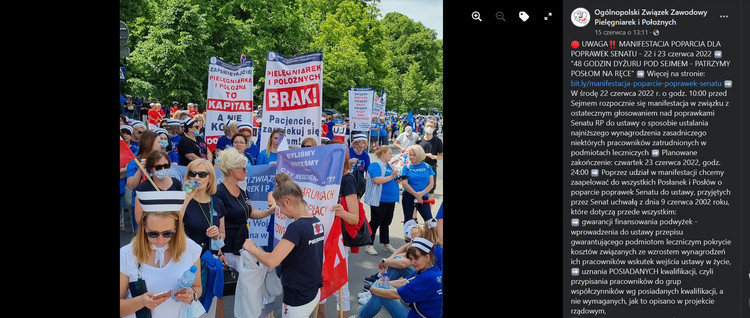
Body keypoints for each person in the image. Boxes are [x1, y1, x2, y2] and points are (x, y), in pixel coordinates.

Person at [241, 173, 324, 318]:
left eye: (279, 206)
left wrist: (252, 248)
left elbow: (272, 261)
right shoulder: (317, 222)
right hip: (312, 291)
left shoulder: (296, 228)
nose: (281, 212)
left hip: (297, 297)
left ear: (287, 201)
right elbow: (304, 255)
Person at [120, 190, 204, 318]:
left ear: (176, 228)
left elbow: (197, 287)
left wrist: (191, 295)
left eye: (167, 233)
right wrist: (141, 301)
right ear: (144, 228)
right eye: (153, 233)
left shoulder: (190, 248)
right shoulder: (127, 254)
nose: (160, 240)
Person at [215, 147, 276, 271]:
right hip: (228, 248)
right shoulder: (219, 192)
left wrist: (270, 211)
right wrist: (219, 252)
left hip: (243, 244)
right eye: (244, 168)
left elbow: (252, 212)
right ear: (234, 171)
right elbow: (216, 226)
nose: (246, 171)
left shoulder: (242, 189)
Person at [318, 140, 360, 318]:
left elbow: (354, 218)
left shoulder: (347, 179)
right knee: (319, 284)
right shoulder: (321, 176)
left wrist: (340, 212)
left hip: (338, 240)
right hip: (320, 238)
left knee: (339, 286)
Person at [351, 237, 442, 318]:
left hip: (418, 315)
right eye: (411, 259)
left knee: (381, 292)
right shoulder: (433, 270)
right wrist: (381, 283)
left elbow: (396, 295)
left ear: (427, 257)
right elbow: (405, 281)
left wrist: (374, 289)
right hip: (422, 313)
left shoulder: (427, 277)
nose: (413, 262)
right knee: (382, 287)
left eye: (416, 258)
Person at [180, 158, 227, 316]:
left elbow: (223, 233)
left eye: (202, 174)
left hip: (207, 260)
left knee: (206, 306)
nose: (196, 178)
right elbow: (173, 226)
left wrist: (217, 234)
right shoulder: (182, 200)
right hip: (186, 261)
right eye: (192, 174)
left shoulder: (217, 202)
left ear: (210, 179)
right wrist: (186, 199)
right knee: (186, 306)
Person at [363, 146, 401, 255]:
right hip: (379, 199)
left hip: (390, 199)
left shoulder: (388, 165)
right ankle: (368, 244)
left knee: (386, 222)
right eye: (389, 153)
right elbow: (376, 180)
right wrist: (391, 177)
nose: (391, 155)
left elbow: (390, 177)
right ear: (383, 154)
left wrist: (396, 179)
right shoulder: (375, 165)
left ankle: (386, 243)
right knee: (375, 222)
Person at [133, 150, 183, 227]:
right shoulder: (144, 188)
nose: (163, 169)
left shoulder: (176, 184)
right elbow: (138, 218)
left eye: (166, 166)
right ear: (150, 169)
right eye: (158, 167)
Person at [126, 130, 160, 232]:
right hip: (140, 205)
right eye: (158, 142)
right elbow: (131, 185)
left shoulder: (161, 159)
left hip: (159, 203)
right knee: (141, 236)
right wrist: (141, 170)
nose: (161, 144)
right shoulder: (135, 160)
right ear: (150, 143)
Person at [400, 145, 434, 224]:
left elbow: (431, 184)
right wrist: (416, 195)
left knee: (430, 222)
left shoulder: (427, 166)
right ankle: (409, 236)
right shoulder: (406, 167)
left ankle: (429, 236)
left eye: (414, 155)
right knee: (408, 222)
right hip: (408, 196)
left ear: (419, 155)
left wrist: (421, 194)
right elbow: (404, 184)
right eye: (410, 155)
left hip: (423, 197)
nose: (411, 157)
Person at [417, 119, 443, 201]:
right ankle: (415, 212)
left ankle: (428, 212)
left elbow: (441, 156)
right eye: (427, 126)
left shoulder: (438, 141)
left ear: (435, 129)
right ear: (424, 127)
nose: (429, 128)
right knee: (418, 189)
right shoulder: (419, 140)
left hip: (431, 168)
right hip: (418, 167)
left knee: (431, 190)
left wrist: (433, 156)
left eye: (431, 126)